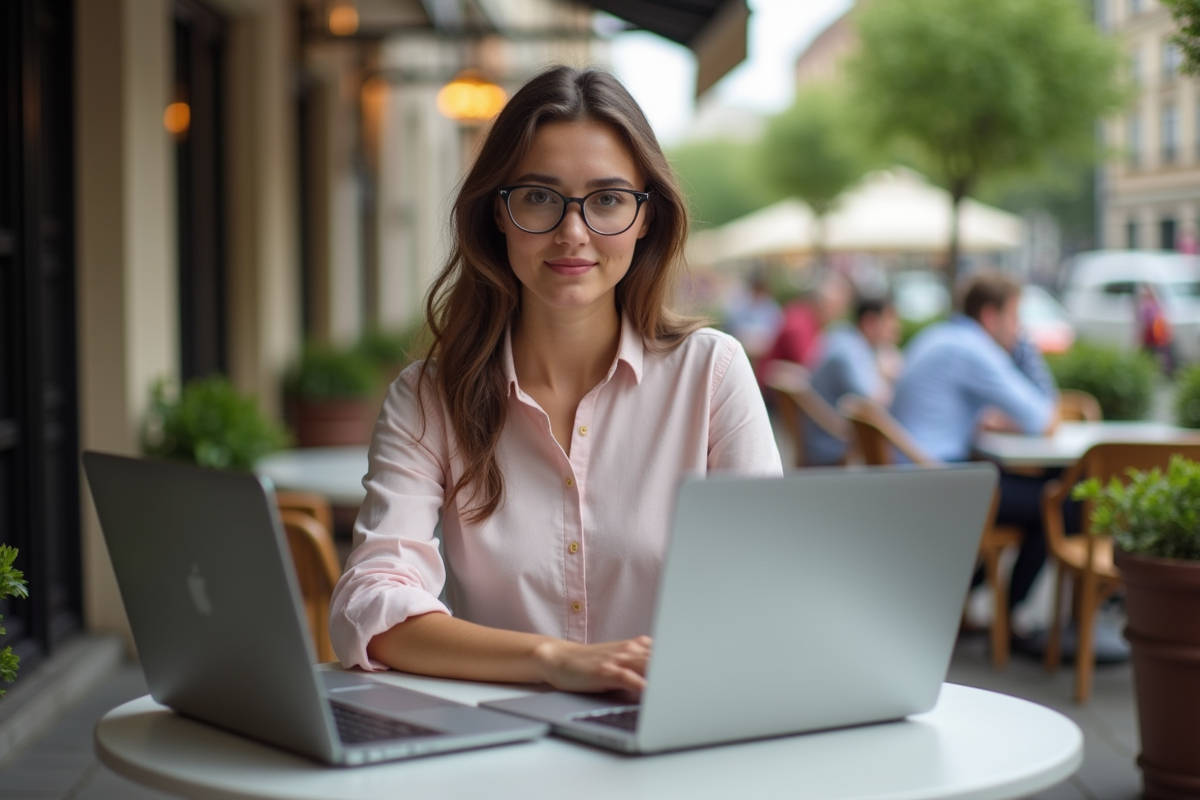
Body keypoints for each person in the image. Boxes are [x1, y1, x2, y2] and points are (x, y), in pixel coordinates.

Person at [329, 66, 783, 696]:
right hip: (497, 752)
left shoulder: (712, 374)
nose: (574, 232)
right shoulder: (429, 397)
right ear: (499, 214)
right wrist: (553, 659)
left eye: (607, 199)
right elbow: (371, 607)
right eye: (540, 197)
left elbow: (764, 596)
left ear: (646, 217)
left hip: (677, 739)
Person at [889, 271, 1060, 639]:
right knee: (1061, 501)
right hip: (943, 486)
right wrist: (1026, 349)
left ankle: (967, 597)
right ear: (990, 316)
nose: (1018, 328)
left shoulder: (940, 337)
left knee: (1044, 492)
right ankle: (1011, 617)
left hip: (915, 476)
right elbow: (1042, 416)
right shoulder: (973, 349)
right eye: (1015, 317)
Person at [803, 294, 901, 466]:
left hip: (825, 434)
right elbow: (876, 403)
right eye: (890, 321)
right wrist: (888, 374)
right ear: (870, 323)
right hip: (830, 444)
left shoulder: (843, 338)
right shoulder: (848, 353)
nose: (896, 328)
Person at [1137, 282, 1176, 375]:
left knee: (1152, 353)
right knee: (1158, 353)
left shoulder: (1148, 305)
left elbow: (1147, 321)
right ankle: (1167, 371)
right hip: (1156, 334)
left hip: (1153, 334)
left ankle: (1166, 371)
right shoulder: (1155, 304)